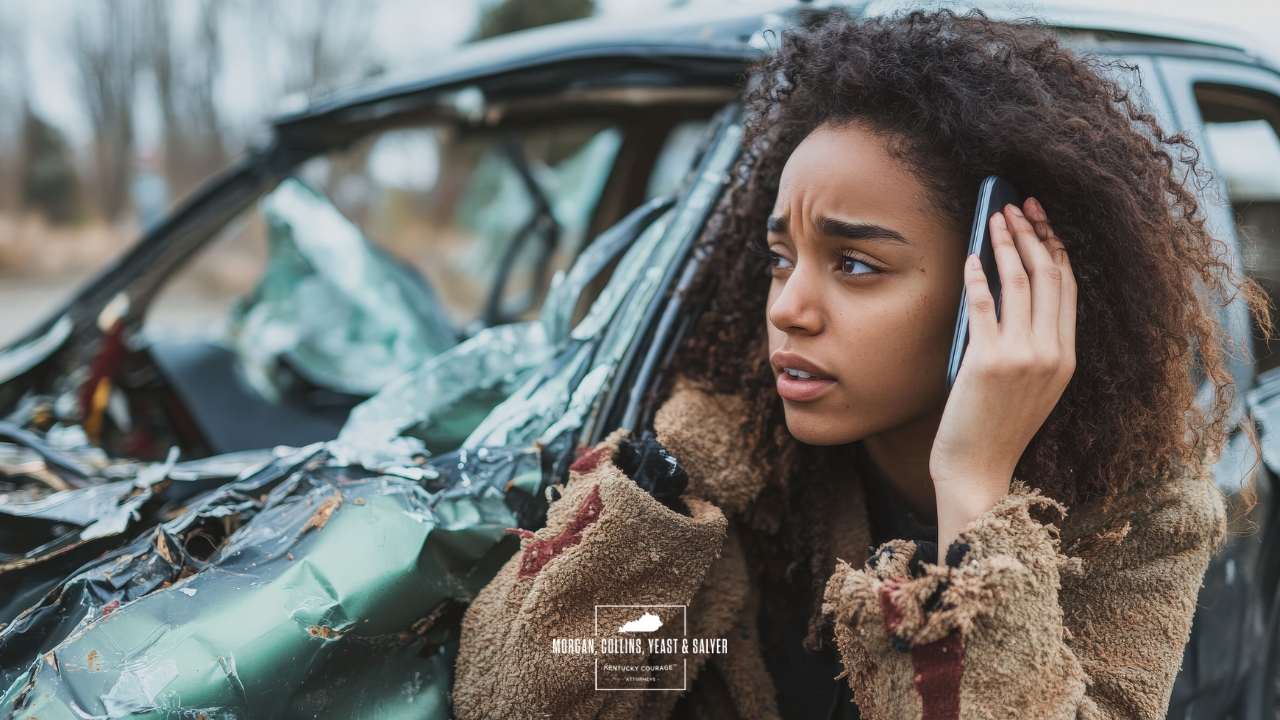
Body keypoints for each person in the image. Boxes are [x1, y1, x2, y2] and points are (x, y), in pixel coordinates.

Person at [451, 9, 1270, 720]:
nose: (788, 308)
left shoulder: (1138, 520)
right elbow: (518, 700)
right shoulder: (719, 462)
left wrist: (972, 496)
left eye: (854, 264)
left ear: (998, 286)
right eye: (780, 258)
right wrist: (652, 503)